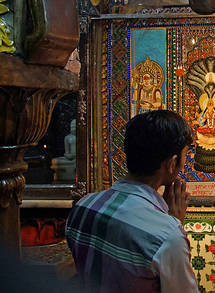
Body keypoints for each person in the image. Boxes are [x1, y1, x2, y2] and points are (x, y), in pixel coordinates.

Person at [66, 110, 198, 293]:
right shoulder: (166, 236)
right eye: (184, 156)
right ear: (171, 163)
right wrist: (172, 225)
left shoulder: (82, 207)